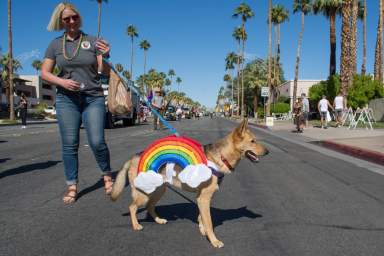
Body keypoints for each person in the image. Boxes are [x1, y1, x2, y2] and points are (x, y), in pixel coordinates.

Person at [41, 2, 113, 204]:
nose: (71, 21)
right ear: (61, 21)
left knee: (97, 141)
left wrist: (106, 55)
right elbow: (45, 73)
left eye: (74, 17)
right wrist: (62, 81)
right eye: (66, 19)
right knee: (70, 144)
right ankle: (72, 185)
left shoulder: (92, 41)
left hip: (93, 97)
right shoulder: (55, 45)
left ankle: (107, 174)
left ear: (79, 18)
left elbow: (105, 71)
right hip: (66, 99)